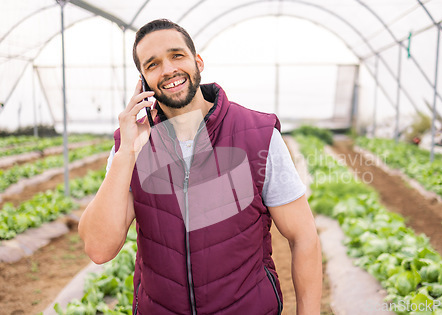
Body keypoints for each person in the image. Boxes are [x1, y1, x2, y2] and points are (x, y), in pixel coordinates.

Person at [78, 19, 321, 315]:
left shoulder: (259, 135)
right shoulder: (130, 148)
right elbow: (99, 248)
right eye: (152, 64)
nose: (168, 69)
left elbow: (303, 236)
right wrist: (126, 152)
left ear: (198, 62)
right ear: (142, 81)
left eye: (176, 55)